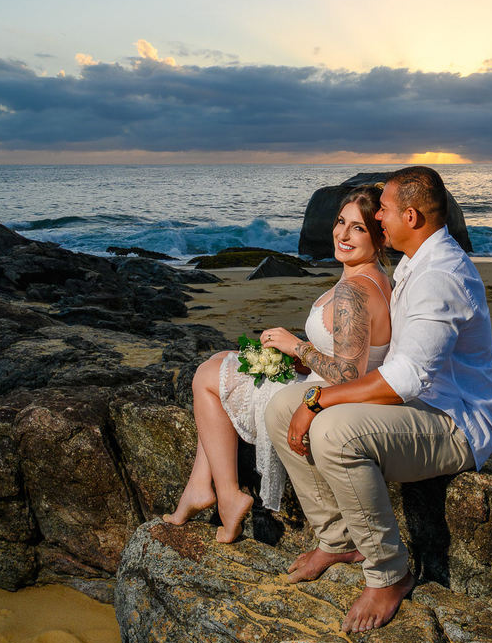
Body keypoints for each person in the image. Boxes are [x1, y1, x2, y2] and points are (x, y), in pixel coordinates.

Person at [264, 166, 492, 634]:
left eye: (385, 212)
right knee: (280, 406)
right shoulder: (416, 260)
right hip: (416, 407)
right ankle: (335, 539)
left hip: (454, 423)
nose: (379, 220)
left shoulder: (440, 276)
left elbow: (404, 380)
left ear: (410, 216)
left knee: (330, 429)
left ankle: (390, 573)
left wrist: (319, 402)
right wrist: (309, 393)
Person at [163, 185, 392, 543]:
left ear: (380, 236)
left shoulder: (355, 291)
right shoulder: (372, 277)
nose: (342, 234)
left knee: (207, 376)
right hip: (318, 380)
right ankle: (198, 487)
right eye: (340, 222)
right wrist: (297, 359)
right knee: (221, 360)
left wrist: (297, 347)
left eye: (358, 228)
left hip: (326, 397)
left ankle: (227, 496)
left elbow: (350, 375)